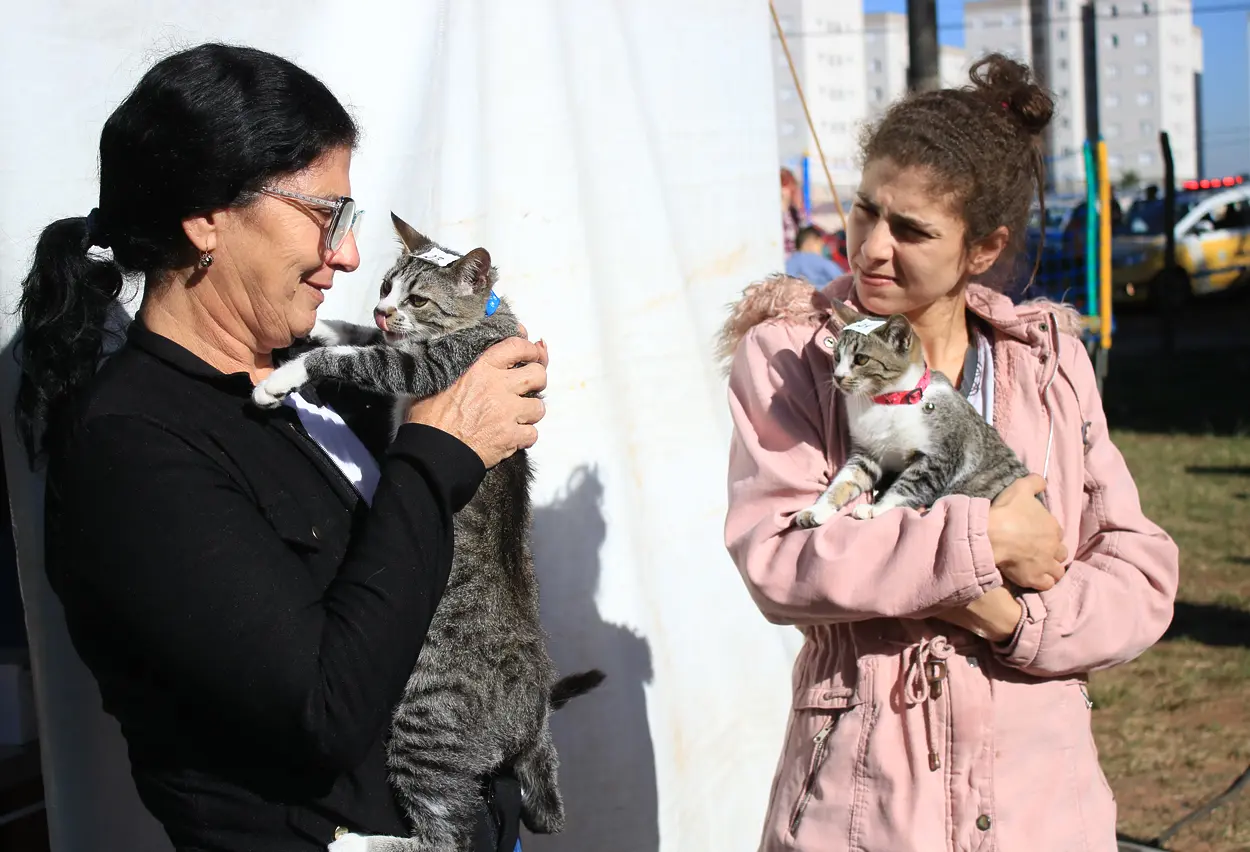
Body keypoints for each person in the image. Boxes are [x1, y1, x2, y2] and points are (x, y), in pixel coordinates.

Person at [15, 44, 547, 852]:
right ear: (207, 218)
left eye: (351, 220)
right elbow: (322, 712)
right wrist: (434, 458)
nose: (349, 255)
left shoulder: (320, 383)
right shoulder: (131, 447)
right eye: (324, 215)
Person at [723, 54, 1178, 851]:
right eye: (866, 212)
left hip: (1043, 803)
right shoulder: (792, 352)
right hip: (862, 806)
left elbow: (1138, 575)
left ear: (982, 248)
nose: (870, 248)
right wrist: (982, 544)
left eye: (912, 230)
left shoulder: (1050, 365)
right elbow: (778, 554)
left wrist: (1012, 623)